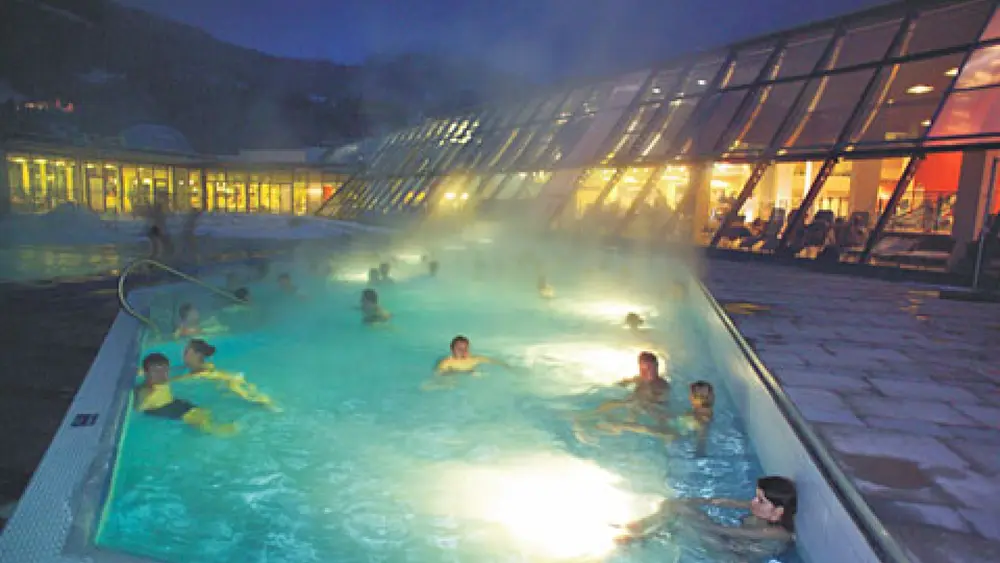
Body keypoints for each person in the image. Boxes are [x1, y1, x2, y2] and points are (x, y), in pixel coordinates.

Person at [614, 476, 797, 560]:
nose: (754, 502)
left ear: (778, 511)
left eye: (761, 500)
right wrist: (695, 501)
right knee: (674, 504)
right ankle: (642, 525)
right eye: (756, 497)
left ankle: (642, 539)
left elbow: (725, 531)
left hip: (732, 556)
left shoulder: (777, 533)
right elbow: (724, 502)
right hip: (727, 541)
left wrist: (694, 522)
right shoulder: (759, 509)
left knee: (684, 523)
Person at [136, 353, 236, 435]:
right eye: (156, 372)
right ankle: (219, 432)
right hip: (164, 410)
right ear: (145, 373)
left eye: (165, 371)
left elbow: (182, 373)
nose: (161, 375)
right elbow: (139, 409)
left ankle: (220, 428)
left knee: (205, 413)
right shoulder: (146, 391)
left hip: (176, 403)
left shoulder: (162, 381)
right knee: (202, 423)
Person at [174, 339, 278, 409]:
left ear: (197, 354)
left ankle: (267, 404)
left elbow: (187, 379)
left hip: (224, 380)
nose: (183, 355)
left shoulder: (203, 374)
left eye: (186, 351)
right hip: (226, 378)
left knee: (249, 398)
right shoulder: (203, 369)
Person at [434, 335, 504, 375]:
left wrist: (504, 365)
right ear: (452, 349)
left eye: (465, 349)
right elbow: (438, 373)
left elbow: (491, 361)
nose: (463, 351)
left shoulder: (474, 359)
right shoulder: (447, 362)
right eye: (459, 349)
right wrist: (453, 371)